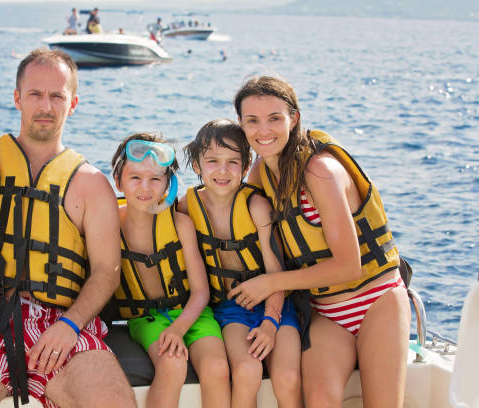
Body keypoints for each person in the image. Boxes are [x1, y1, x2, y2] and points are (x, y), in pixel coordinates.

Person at [0, 48, 136, 408]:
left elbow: (106, 272)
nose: (45, 106)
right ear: (18, 98)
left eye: (57, 96)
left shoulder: (92, 185)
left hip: (64, 324)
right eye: (35, 94)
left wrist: (71, 326)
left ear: (73, 103)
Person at [228, 75, 411, 408]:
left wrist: (270, 283)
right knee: (319, 401)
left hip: (376, 300)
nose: (263, 131)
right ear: (241, 124)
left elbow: (348, 265)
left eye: (274, 119)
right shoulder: (262, 170)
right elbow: (220, 198)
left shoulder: (319, 172)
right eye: (252, 121)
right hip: (327, 312)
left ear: (293, 119)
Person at [178, 119, 302, 408]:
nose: (222, 170)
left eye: (233, 162)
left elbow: (276, 274)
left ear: (246, 167)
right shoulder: (187, 206)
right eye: (212, 161)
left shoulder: (256, 207)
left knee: (287, 378)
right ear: (197, 165)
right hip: (231, 308)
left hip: (278, 306)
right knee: (246, 371)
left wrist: (270, 323)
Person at [111, 133, 230, 408]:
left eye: (155, 179)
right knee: (172, 365)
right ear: (118, 181)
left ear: (169, 183)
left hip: (193, 313)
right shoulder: (110, 225)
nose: (145, 187)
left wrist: (178, 328)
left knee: (216, 368)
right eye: (135, 178)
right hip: (146, 319)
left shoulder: (180, 224)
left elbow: (201, 292)